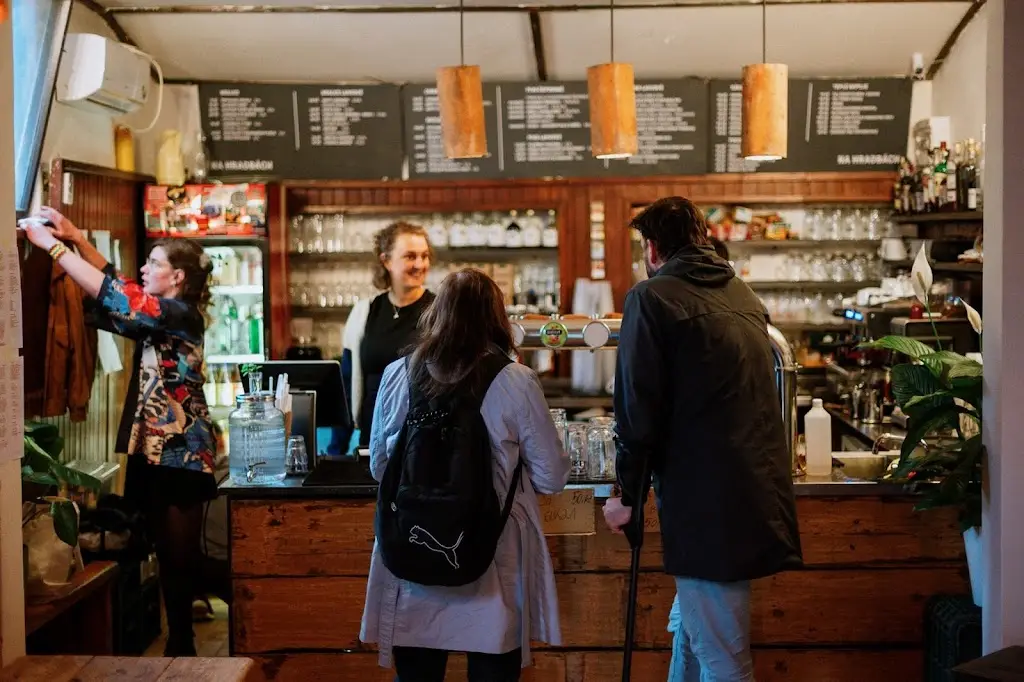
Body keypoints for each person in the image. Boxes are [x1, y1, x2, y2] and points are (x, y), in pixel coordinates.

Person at [602, 196, 802, 682]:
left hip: (705, 502)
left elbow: (637, 408)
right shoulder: (741, 293)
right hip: (752, 492)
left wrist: (626, 494)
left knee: (724, 659)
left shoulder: (651, 297)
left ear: (651, 248)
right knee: (694, 635)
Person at [21, 207, 217, 657]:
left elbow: (118, 294)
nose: (144, 268)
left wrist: (52, 246)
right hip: (154, 448)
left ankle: (226, 613)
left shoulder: (182, 315)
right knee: (170, 553)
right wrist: (75, 236)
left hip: (181, 449)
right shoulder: (162, 311)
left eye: (154, 263)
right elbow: (117, 284)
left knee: (184, 557)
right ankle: (181, 644)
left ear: (178, 278)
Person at [360, 269, 570, 682]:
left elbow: (380, 467)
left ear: (435, 314)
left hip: (413, 549)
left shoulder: (398, 374)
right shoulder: (516, 380)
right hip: (489, 554)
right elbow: (551, 478)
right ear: (497, 318)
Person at [343, 221, 434, 450]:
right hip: (373, 436)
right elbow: (348, 377)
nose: (420, 264)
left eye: (424, 256)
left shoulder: (439, 311)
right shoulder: (364, 311)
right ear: (386, 261)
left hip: (422, 440)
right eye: (410, 256)